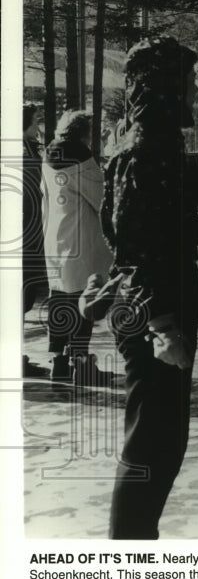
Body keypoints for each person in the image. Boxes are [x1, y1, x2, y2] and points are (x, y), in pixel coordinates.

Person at [101, 37, 198, 539]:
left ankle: (138, 541)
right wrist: (163, 326)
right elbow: (134, 245)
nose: (193, 92)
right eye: (186, 81)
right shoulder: (144, 149)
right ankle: (129, 555)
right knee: (152, 440)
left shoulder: (154, 142)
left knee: (163, 439)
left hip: (161, 300)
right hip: (154, 309)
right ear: (164, 86)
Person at [41, 111, 113, 385]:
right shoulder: (81, 158)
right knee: (84, 298)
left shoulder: (49, 154)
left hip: (55, 236)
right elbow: (101, 198)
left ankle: (58, 362)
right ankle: (81, 365)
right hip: (81, 237)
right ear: (84, 132)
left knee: (59, 297)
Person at [22, 105, 49, 378]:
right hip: (27, 235)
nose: (37, 128)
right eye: (34, 122)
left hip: (28, 233)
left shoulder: (29, 151)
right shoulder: (25, 154)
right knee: (22, 295)